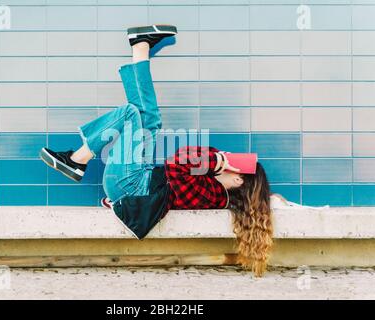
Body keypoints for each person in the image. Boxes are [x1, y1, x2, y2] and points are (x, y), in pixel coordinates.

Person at [40, 25, 274, 277]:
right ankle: (140, 47)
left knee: (129, 114)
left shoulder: (211, 194)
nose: (224, 161)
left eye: (230, 164)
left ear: (238, 178)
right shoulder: (213, 187)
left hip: (129, 183)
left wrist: (218, 159)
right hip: (137, 177)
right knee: (149, 119)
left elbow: (179, 163)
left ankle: (78, 159)